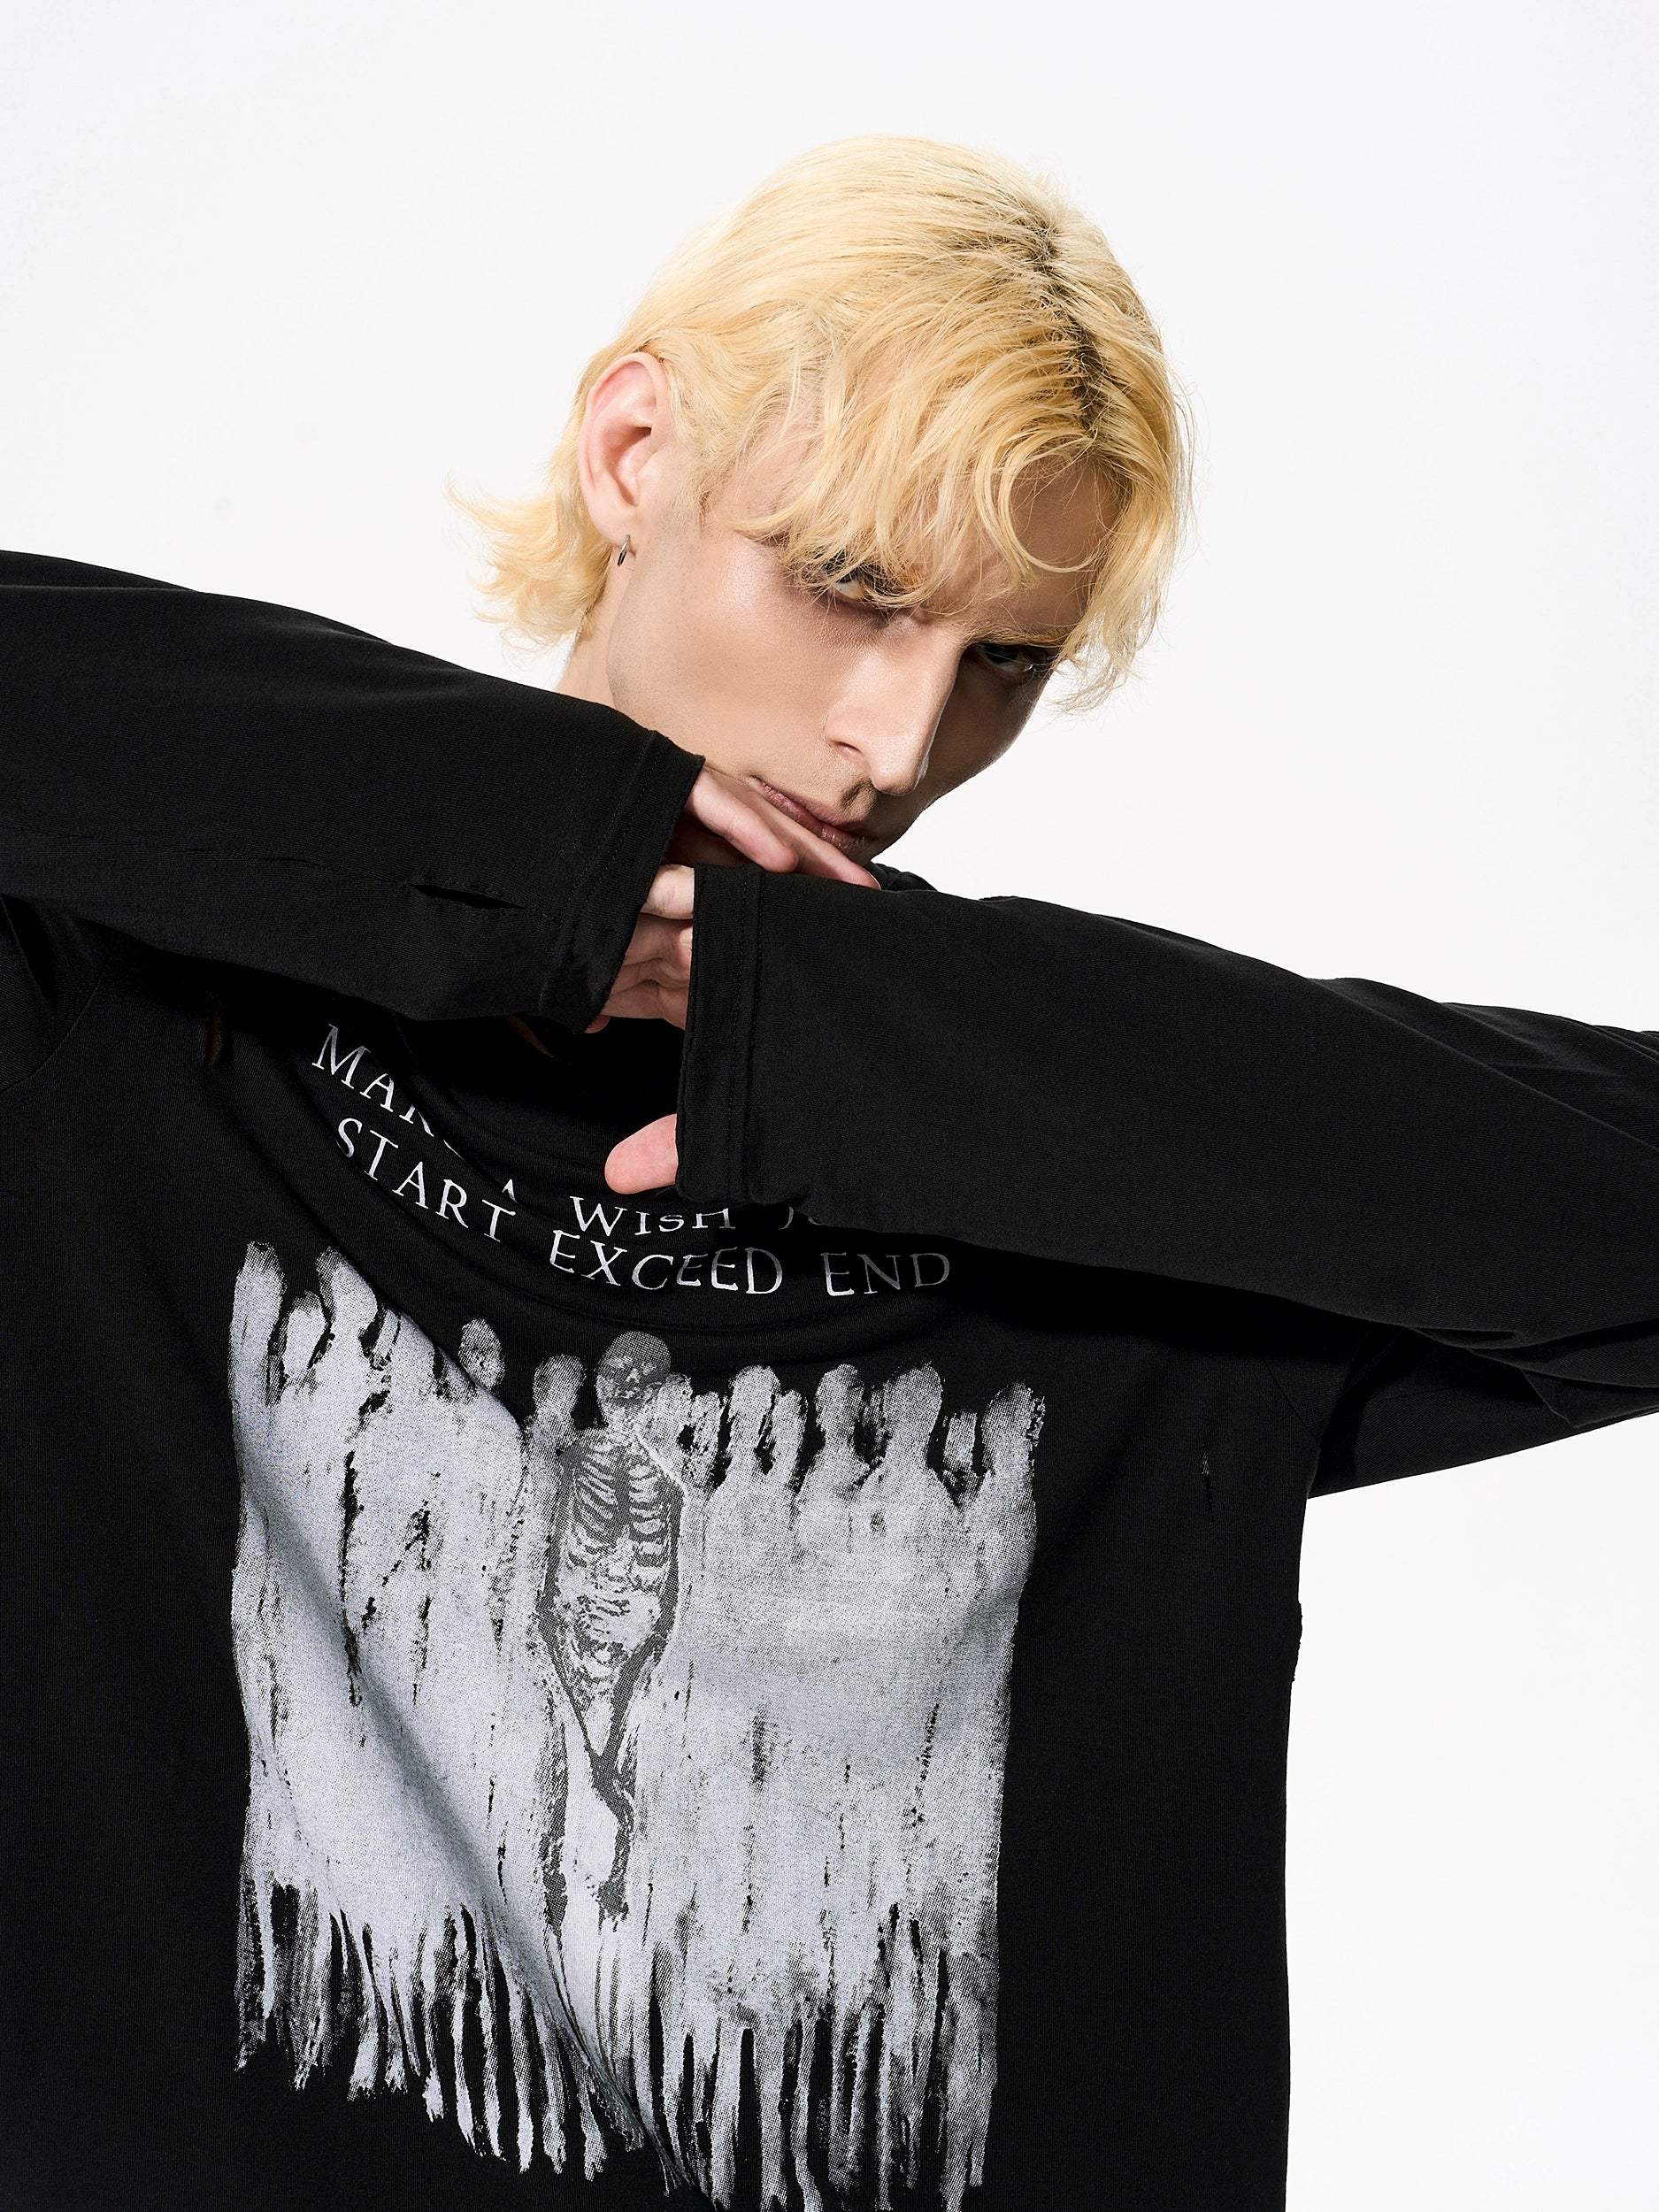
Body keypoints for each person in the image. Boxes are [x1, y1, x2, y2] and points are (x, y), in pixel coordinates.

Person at [1, 134, 1654, 2212]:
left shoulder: (1085, 1190)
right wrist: (524, 850)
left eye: (1004, 663)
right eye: (852, 587)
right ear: (633, 452)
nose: (894, 742)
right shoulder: (120, 1027)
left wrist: (888, 1029)